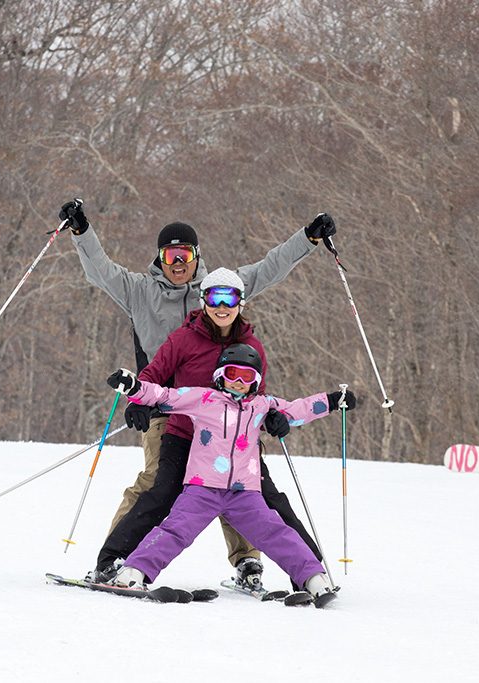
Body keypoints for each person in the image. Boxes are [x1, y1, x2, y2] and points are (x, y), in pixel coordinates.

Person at [60, 199, 336, 589]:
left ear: (196, 256)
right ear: (160, 257)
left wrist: (308, 238)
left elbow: (270, 267)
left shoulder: (219, 290)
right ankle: (115, 559)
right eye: (170, 254)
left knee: (241, 482)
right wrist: (81, 231)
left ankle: (250, 562)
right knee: (158, 484)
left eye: (184, 254)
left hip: (232, 414)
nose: (178, 262)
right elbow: (100, 271)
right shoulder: (139, 291)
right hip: (166, 409)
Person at [90, 268, 353, 592]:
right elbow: (156, 378)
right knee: (162, 492)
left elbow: (263, 399)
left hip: (237, 444)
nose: (223, 306)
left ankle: (311, 575)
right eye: (216, 297)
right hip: (184, 433)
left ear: (241, 303)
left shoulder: (251, 344)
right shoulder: (183, 338)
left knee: (270, 503)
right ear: (204, 300)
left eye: (231, 298)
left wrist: (276, 419)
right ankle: (114, 562)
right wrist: (138, 397)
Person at [102, 346, 352, 608]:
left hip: (245, 494)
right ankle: (133, 573)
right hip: (202, 489)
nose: (239, 382)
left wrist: (333, 401)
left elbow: (297, 410)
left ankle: (314, 579)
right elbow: (165, 395)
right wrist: (133, 387)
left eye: (247, 377)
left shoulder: (262, 406)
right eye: (233, 374)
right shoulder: (204, 399)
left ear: (256, 381)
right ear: (221, 374)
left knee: (277, 533)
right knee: (174, 532)